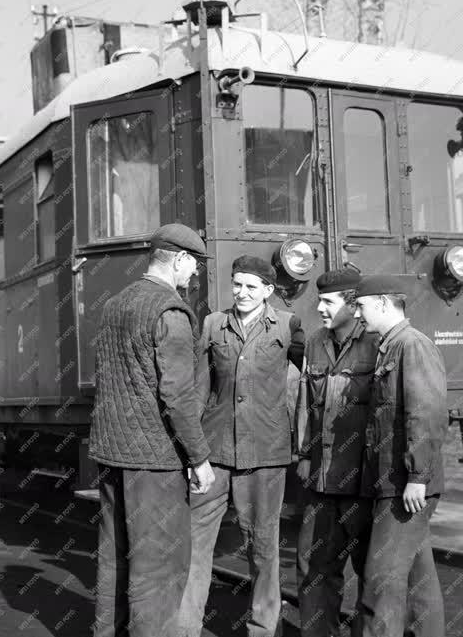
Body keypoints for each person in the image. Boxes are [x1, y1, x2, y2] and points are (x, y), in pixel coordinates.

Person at [89, 223, 216, 637]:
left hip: (111, 454)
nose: (194, 275)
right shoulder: (171, 312)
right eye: (193, 265)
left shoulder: (114, 305)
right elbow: (178, 397)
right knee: (158, 567)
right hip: (154, 462)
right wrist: (199, 458)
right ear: (178, 259)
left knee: (114, 559)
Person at [177, 255, 304, 637]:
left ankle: (263, 629)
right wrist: (193, 451)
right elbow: (200, 387)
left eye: (251, 286)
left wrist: (298, 438)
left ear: (268, 291)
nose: (242, 292)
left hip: (265, 455)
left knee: (263, 549)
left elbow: (308, 386)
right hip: (212, 455)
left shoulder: (289, 325)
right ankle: (185, 629)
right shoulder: (213, 324)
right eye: (237, 284)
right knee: (195, 547)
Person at [354, 275, 448, 637]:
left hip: (404, 484)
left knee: (381, 583)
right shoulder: (391, 346)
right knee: (419, 581)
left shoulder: (411, 345)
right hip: (393, 482)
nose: (358, 315)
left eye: (361, 306)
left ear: (381, 303)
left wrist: (417, 477)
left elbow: (426, 413)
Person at [294, 268, 379, 637]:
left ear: (351, 304)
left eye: (328, 302)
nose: (320, 309)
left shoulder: (378, 343)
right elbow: (304, 404)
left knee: (371, 574)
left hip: (363, 482)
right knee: (314, 570)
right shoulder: (315, 342)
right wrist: (303, 455)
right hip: (322, 480)